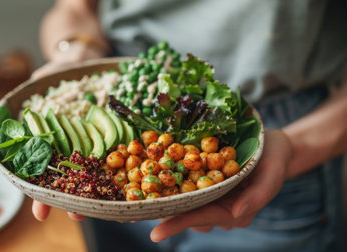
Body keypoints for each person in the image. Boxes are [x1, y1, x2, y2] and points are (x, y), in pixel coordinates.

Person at [31, 0, 347, 251]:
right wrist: (77, 53)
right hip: (122, 104)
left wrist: (296, 147)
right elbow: (74, 8)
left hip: (276, 136)